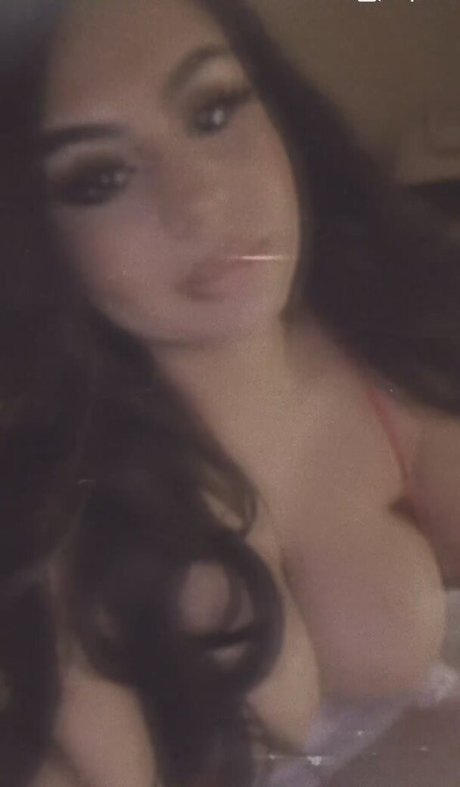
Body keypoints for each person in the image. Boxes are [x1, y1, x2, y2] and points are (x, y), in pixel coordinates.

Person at [1, 0, 460, 785]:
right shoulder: (53, 517)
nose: (200, 201)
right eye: (100, 178)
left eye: (214, 111)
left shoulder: (390, 335)